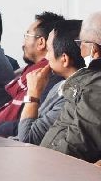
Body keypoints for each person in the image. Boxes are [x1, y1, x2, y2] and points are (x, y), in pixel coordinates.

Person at [0, 12, 64, 137]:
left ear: (41, 42)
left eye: (27, 36)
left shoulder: (48, 77)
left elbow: (34, 125)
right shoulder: (26, 73)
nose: (23, 43)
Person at [40, 11, 101, 162]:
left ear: (94, 49)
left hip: (59, 169)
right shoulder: (84, 83)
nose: (79, 49)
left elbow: (77, 144)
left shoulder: (95, 86)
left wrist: (43, 165)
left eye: (81, 43)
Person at [15, 20, 84, 145]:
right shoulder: (60, 86)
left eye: (49, 50)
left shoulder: (72, 97)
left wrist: (33, 95)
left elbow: (27, 139)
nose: (46, 57)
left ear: (64, 59)